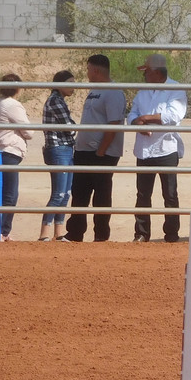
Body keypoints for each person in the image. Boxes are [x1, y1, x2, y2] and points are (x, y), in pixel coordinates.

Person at [65, 54, 127, 243]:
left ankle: (101, 236)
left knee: (101, 194)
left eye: (88, 69)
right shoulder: (94, 91)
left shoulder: (113, 92)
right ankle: (75, 233)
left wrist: (102, 150)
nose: (87, 73)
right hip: (84, 152)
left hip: (102, 154)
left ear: (96, 70)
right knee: (79, 193)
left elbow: (114, 123)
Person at [127, 53, 187, 243]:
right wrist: (138, 122)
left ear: (155, 72)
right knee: (143, 194)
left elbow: (173, 116)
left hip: (166, 148)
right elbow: (132, 113)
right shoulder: (143, 91)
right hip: (144, 149)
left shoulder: (175, 89)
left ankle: (171, 234)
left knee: (169, 194)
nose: (143, 76)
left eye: (146, 72)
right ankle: (142, 233)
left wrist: (145, 118)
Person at [0, 74, 33, 242]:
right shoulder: (13, 105)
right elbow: (29, 132)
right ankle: (3, 232)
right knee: (10, 194)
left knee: (1, 193)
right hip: (8, 152)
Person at [39, 69, 76, 242]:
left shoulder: (58, 100)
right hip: (59, 148)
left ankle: (58, 233)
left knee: (65, 192)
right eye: (70, 83)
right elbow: (70, 126)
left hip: (64, 148)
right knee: (59, 193)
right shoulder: (55, 101)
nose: (73, 87)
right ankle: (44, 234)